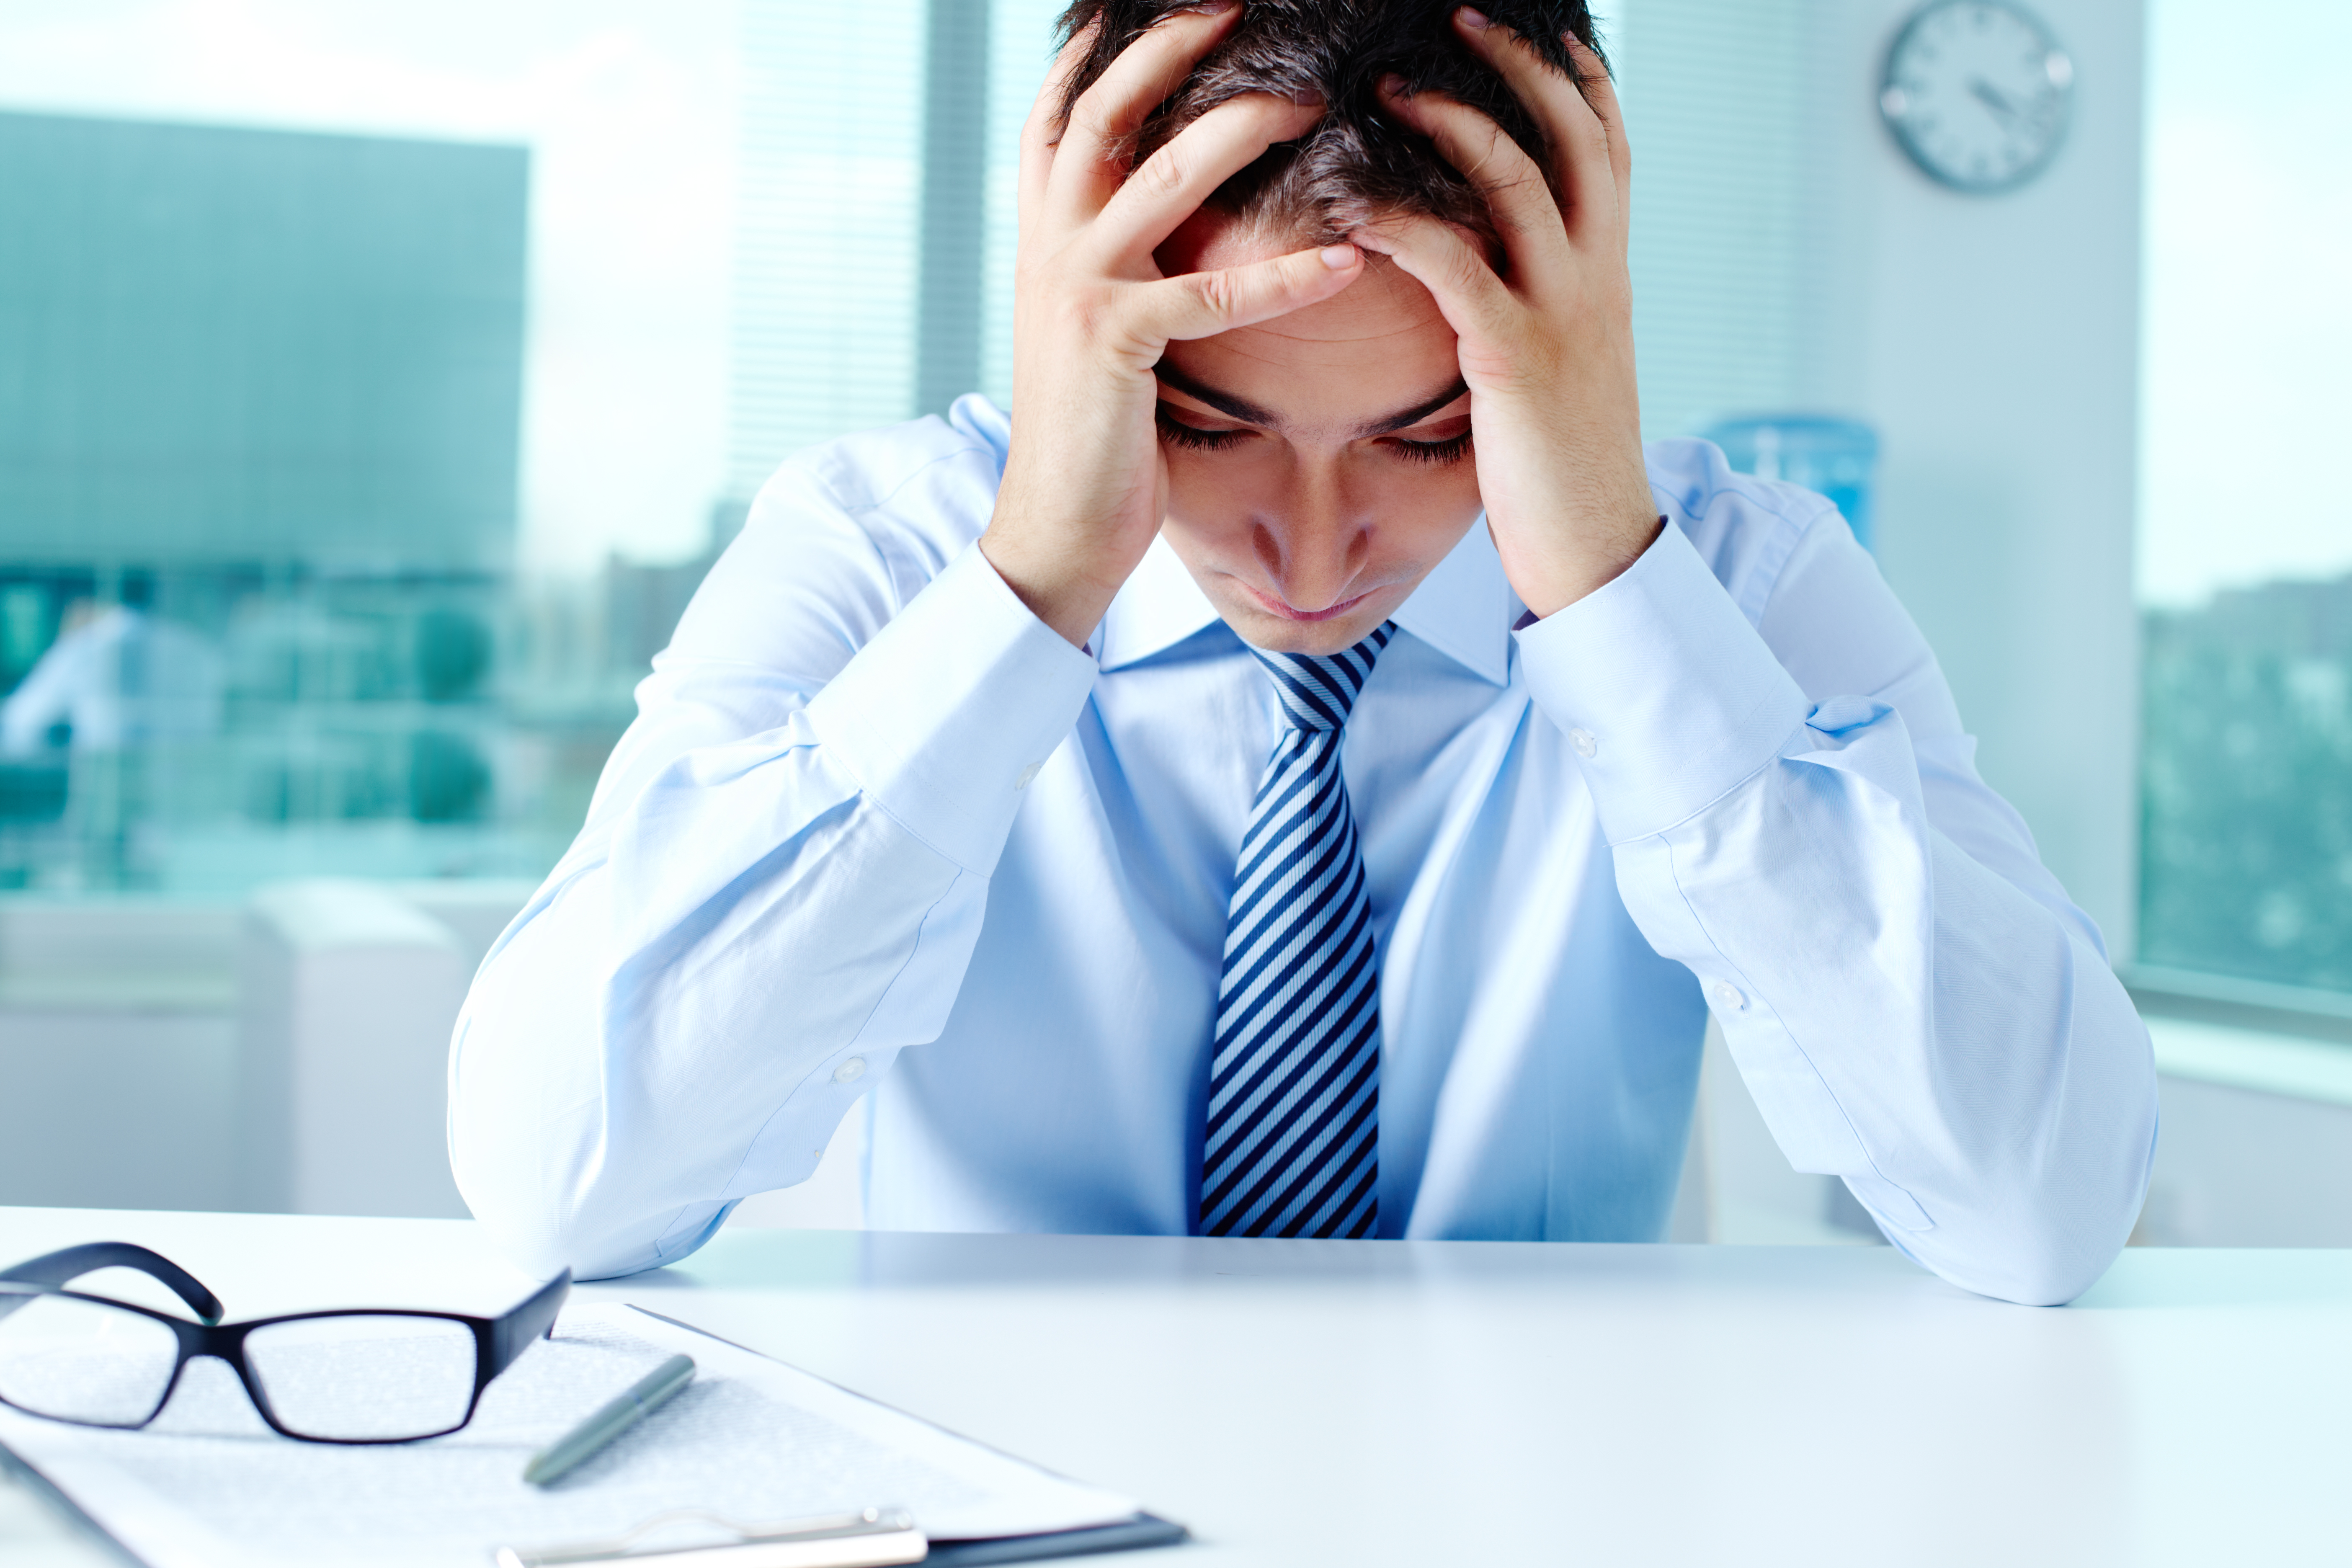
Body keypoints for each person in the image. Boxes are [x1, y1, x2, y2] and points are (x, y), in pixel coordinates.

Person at [449, 0, 2156, 1305]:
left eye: (1427, 438)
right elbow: (559, 1190)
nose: (1317, 553)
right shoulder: (881, 550)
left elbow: (2048, 1207)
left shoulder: (1732, 585)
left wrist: (1616, 606)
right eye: (1207, 422)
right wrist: (1033, 580)